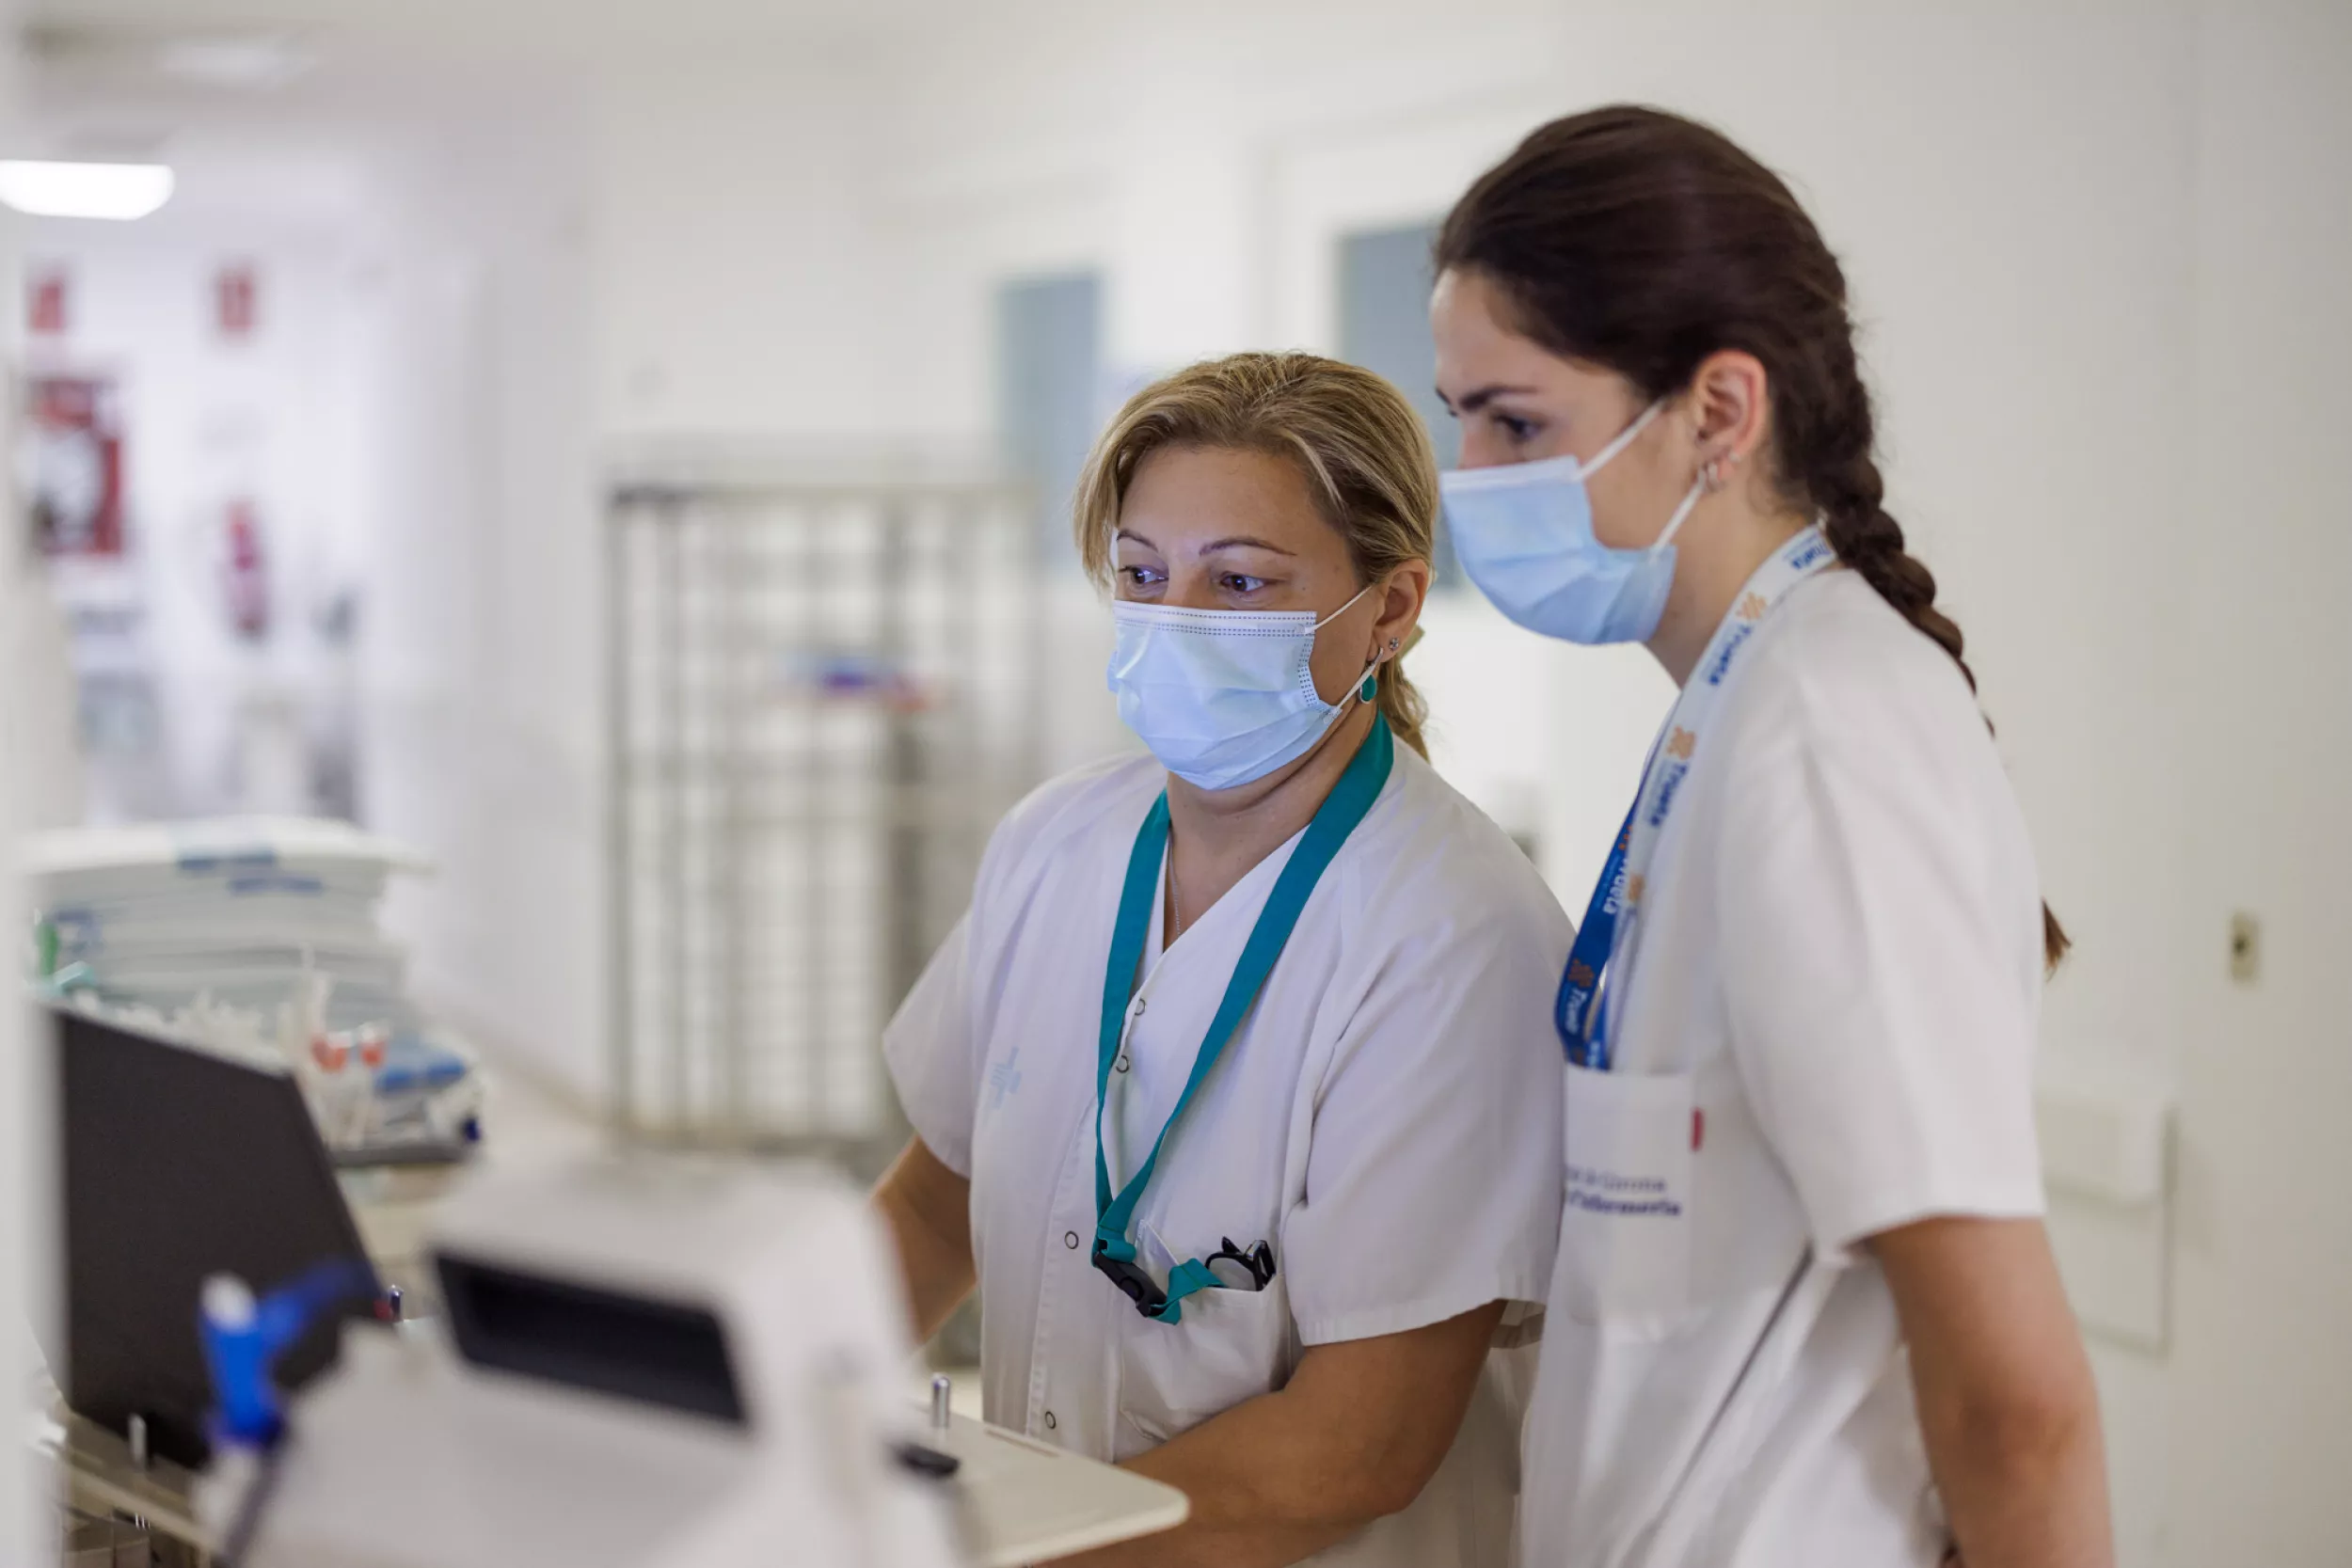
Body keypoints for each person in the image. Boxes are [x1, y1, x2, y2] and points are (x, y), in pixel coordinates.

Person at [1428, 106, 2113, 1567]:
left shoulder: (1828, 731)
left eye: (1520, 421)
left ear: (1719, 415)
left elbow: (2019, 1403)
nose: (1474, 475)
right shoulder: (1738, 707)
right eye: (1461, 419)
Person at [876, 352, 1568, 1566]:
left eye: (1239, 582)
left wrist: (1018, 1557)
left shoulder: (1452, 935)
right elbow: (939, 1203)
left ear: (1393, 609)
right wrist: (744, 1406)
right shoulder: (1056, 843)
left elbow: (1358, 1449)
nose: (1177, 620)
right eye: (1143, 575)